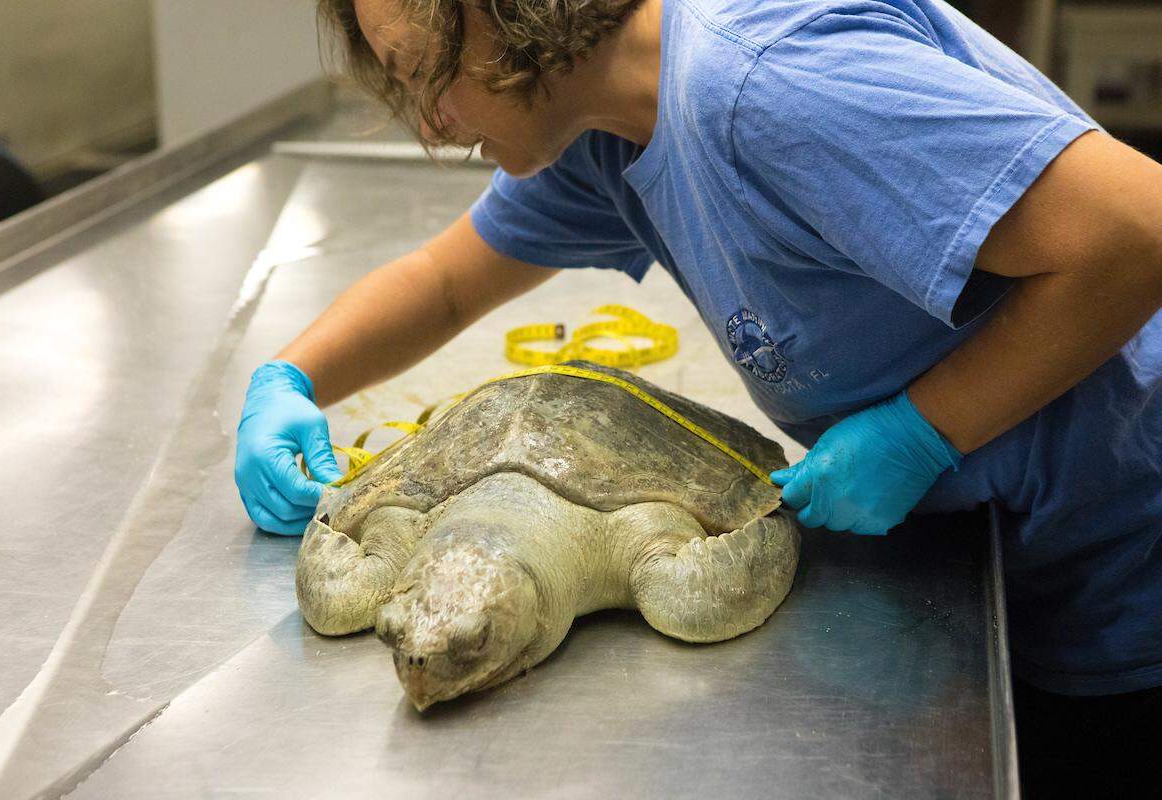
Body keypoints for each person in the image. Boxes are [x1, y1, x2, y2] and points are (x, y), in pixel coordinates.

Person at [234, 0, 1162, 793]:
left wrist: (924, 431)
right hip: (1021, 544)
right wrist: (289, 378)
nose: (428, 125)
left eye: (423, 73)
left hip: (1130, 546)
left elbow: (1140, 230)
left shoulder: (766, 85)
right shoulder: (610, 127)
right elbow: (444, 281)